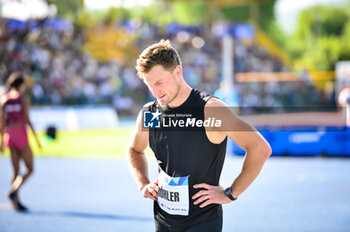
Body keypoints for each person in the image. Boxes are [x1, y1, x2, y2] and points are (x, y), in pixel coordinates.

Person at [127, 39, 272, 232]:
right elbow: (134, 149)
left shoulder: (209, 110)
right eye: (149, 85)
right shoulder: (151, 113)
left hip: (201, 222)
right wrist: (143, 183)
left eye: (160, 82)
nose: (155, 92)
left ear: (177, 72)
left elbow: (260, 148)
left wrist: (231, 193)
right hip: (163, 220)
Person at [0, 72, 41, 211]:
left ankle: (16, 201)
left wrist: (2, 141)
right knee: (30, 168)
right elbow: (28, 120)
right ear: (21, 85)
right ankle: (13, 192)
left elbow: (2, 122)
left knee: (15, 170)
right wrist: (36, 139)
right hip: (21, 134)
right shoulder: (23, 99)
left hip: (9, 135)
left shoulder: (4, 99)